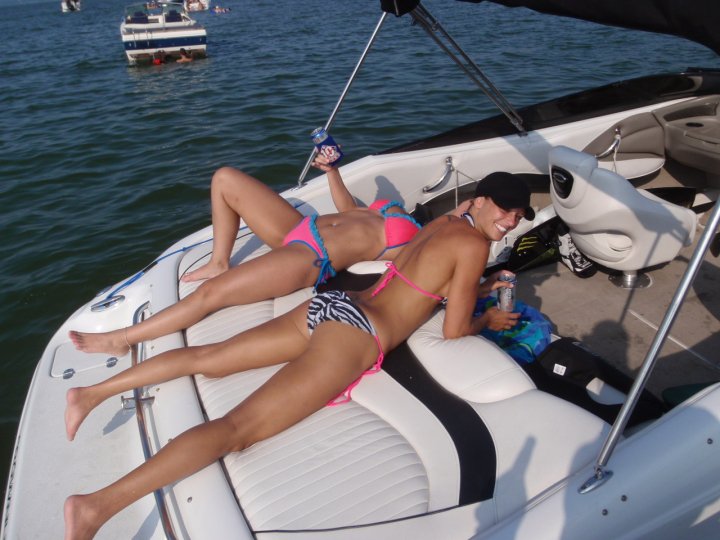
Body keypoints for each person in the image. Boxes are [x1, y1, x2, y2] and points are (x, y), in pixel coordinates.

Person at [63, 172, 532, 539]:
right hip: (356, 333)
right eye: (505, 209)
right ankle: (95, 507)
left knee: (208, 355)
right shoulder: (475, 244)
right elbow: (454, 330)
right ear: (481, 201)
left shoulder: (446, 223)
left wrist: (480, 287)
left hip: (334, 304)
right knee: (236, 430)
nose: (511, 221)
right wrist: (488, 319)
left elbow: (428, 280)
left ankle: (91, 393)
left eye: (518, 215)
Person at [69, 156, 425, 357]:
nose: (455, 211)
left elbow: (418, 274)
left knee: (211, 293)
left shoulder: (418, 242)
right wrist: (332, 171)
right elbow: (348, 209)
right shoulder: (395, 210)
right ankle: (219, 260)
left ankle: (122, 339)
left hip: (312, 257)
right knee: (224, 178)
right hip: (302, 227)